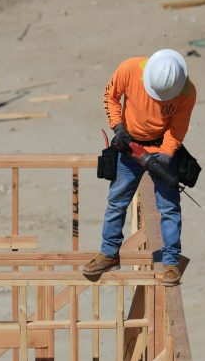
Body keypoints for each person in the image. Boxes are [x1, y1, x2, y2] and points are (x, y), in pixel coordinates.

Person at [84, 49, 196, 286]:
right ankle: (109, 254)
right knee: (117, 200)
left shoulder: (186, 91)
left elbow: (177, 128)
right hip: (129, 146)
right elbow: (111, 97)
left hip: (162, 147)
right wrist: (118, 127)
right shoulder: (129, 69)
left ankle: (171, 263)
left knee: (169, 208)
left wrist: (165, 157)